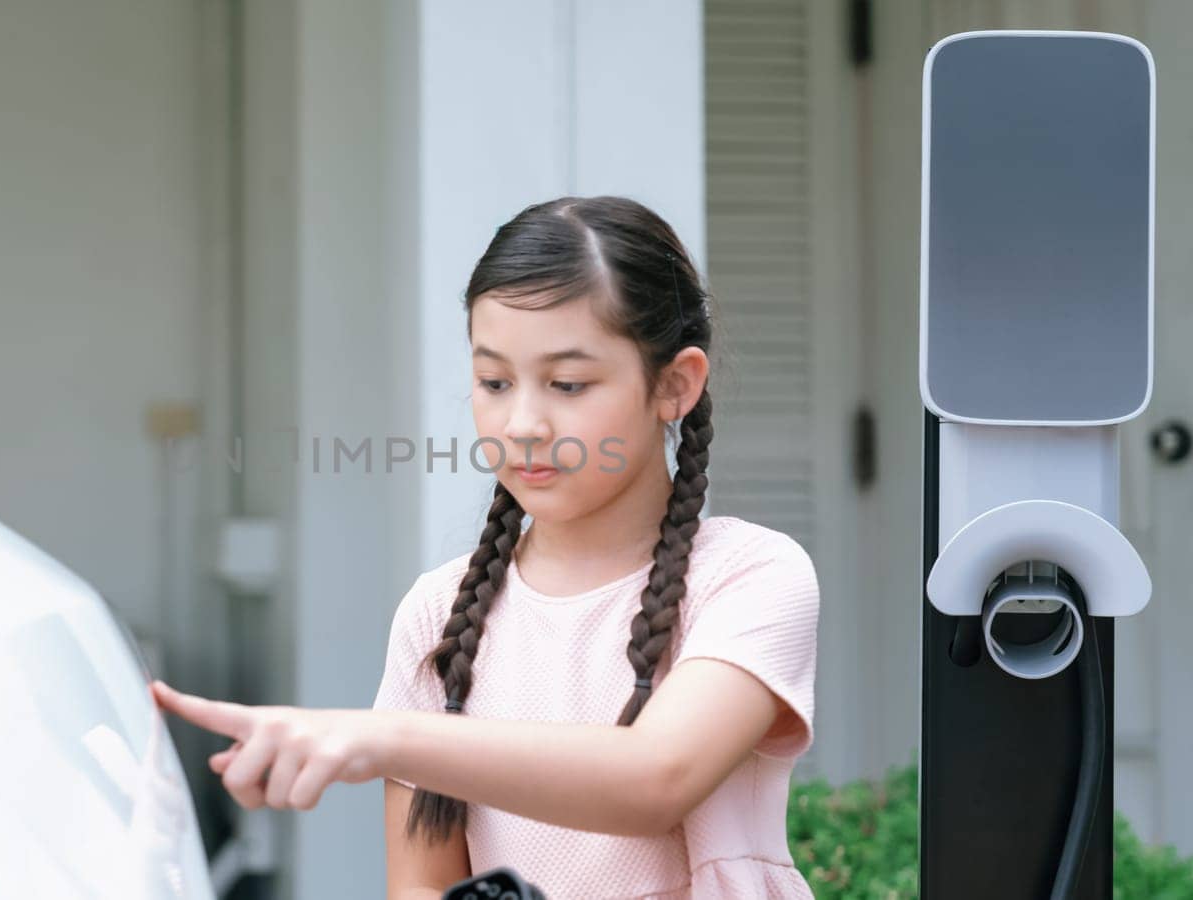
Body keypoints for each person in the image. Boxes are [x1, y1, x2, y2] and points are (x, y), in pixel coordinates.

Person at [152, 195, 820, 899]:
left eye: (567, 383)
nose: (523, 422)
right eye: (494, 381)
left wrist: (382, 737)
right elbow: (421, 888)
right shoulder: (437, 612)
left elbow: (656, 778)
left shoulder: (749, 576)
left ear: (675, 384)